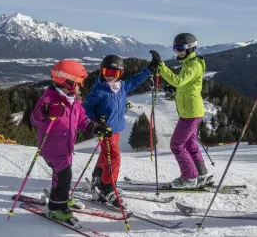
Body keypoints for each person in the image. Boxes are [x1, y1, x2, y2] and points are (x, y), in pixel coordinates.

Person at [30, 59, 112, 221]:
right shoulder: (49, 99)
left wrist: (95, 127)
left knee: (61, 174)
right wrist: (45, 111)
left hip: (66, 147)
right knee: (64, 176)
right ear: (67, 82)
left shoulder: (74, 99)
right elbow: (34, 119)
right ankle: (56, 207)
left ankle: (61, 196)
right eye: (78, 82)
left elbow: (81, 118)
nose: (80, 86)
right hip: (52, 148)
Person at [83, 54, 158, 207]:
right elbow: (86, 108)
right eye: (107, 72)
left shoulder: (122, 86)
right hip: (105, 130)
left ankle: (98, 177)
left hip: (117, 129)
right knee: (114, 156)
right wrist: (97, 122)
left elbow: (136, 80)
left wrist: (150, 68)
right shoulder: (99, 90)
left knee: (107, 154)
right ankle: (107, 187)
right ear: (102, 71)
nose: (110, 77)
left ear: (120, 74)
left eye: (114, 73)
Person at [149, 33, 212, 188]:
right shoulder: (190, 63)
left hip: (190, 112)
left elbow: (178, 80)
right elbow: (184, 83)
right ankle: (201, 175)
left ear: (190, 48)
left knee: (176, 145)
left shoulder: (194, 65)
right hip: (190, 111)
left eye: (180, 48)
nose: (177, 52)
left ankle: (189, 178)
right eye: (175, 48)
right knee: (190, 144)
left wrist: (162, 67)